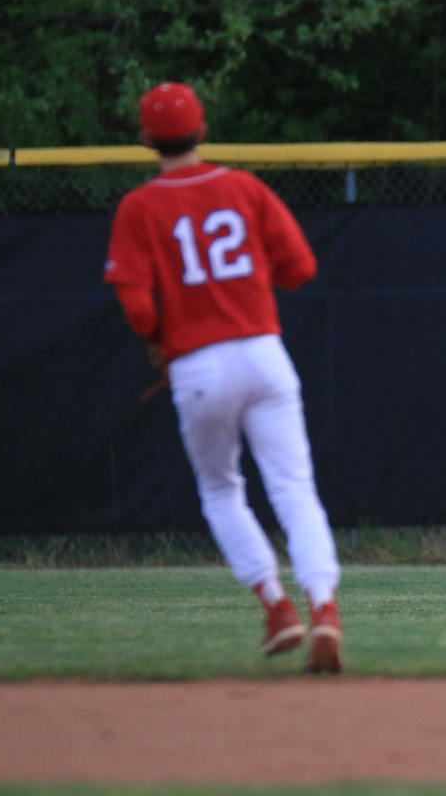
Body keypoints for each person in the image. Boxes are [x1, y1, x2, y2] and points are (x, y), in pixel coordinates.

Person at [104, 82, 343, 671]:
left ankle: (276, 608)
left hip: (197, 365)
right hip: (263, 352)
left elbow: (135, 304)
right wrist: (252, 280)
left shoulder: (139, 206)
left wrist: (160, 336)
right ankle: (325, 609)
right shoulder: (243, 187)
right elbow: (300, 267)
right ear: (203, 130)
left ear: (146, 139)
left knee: (220, 491)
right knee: (295, 490)